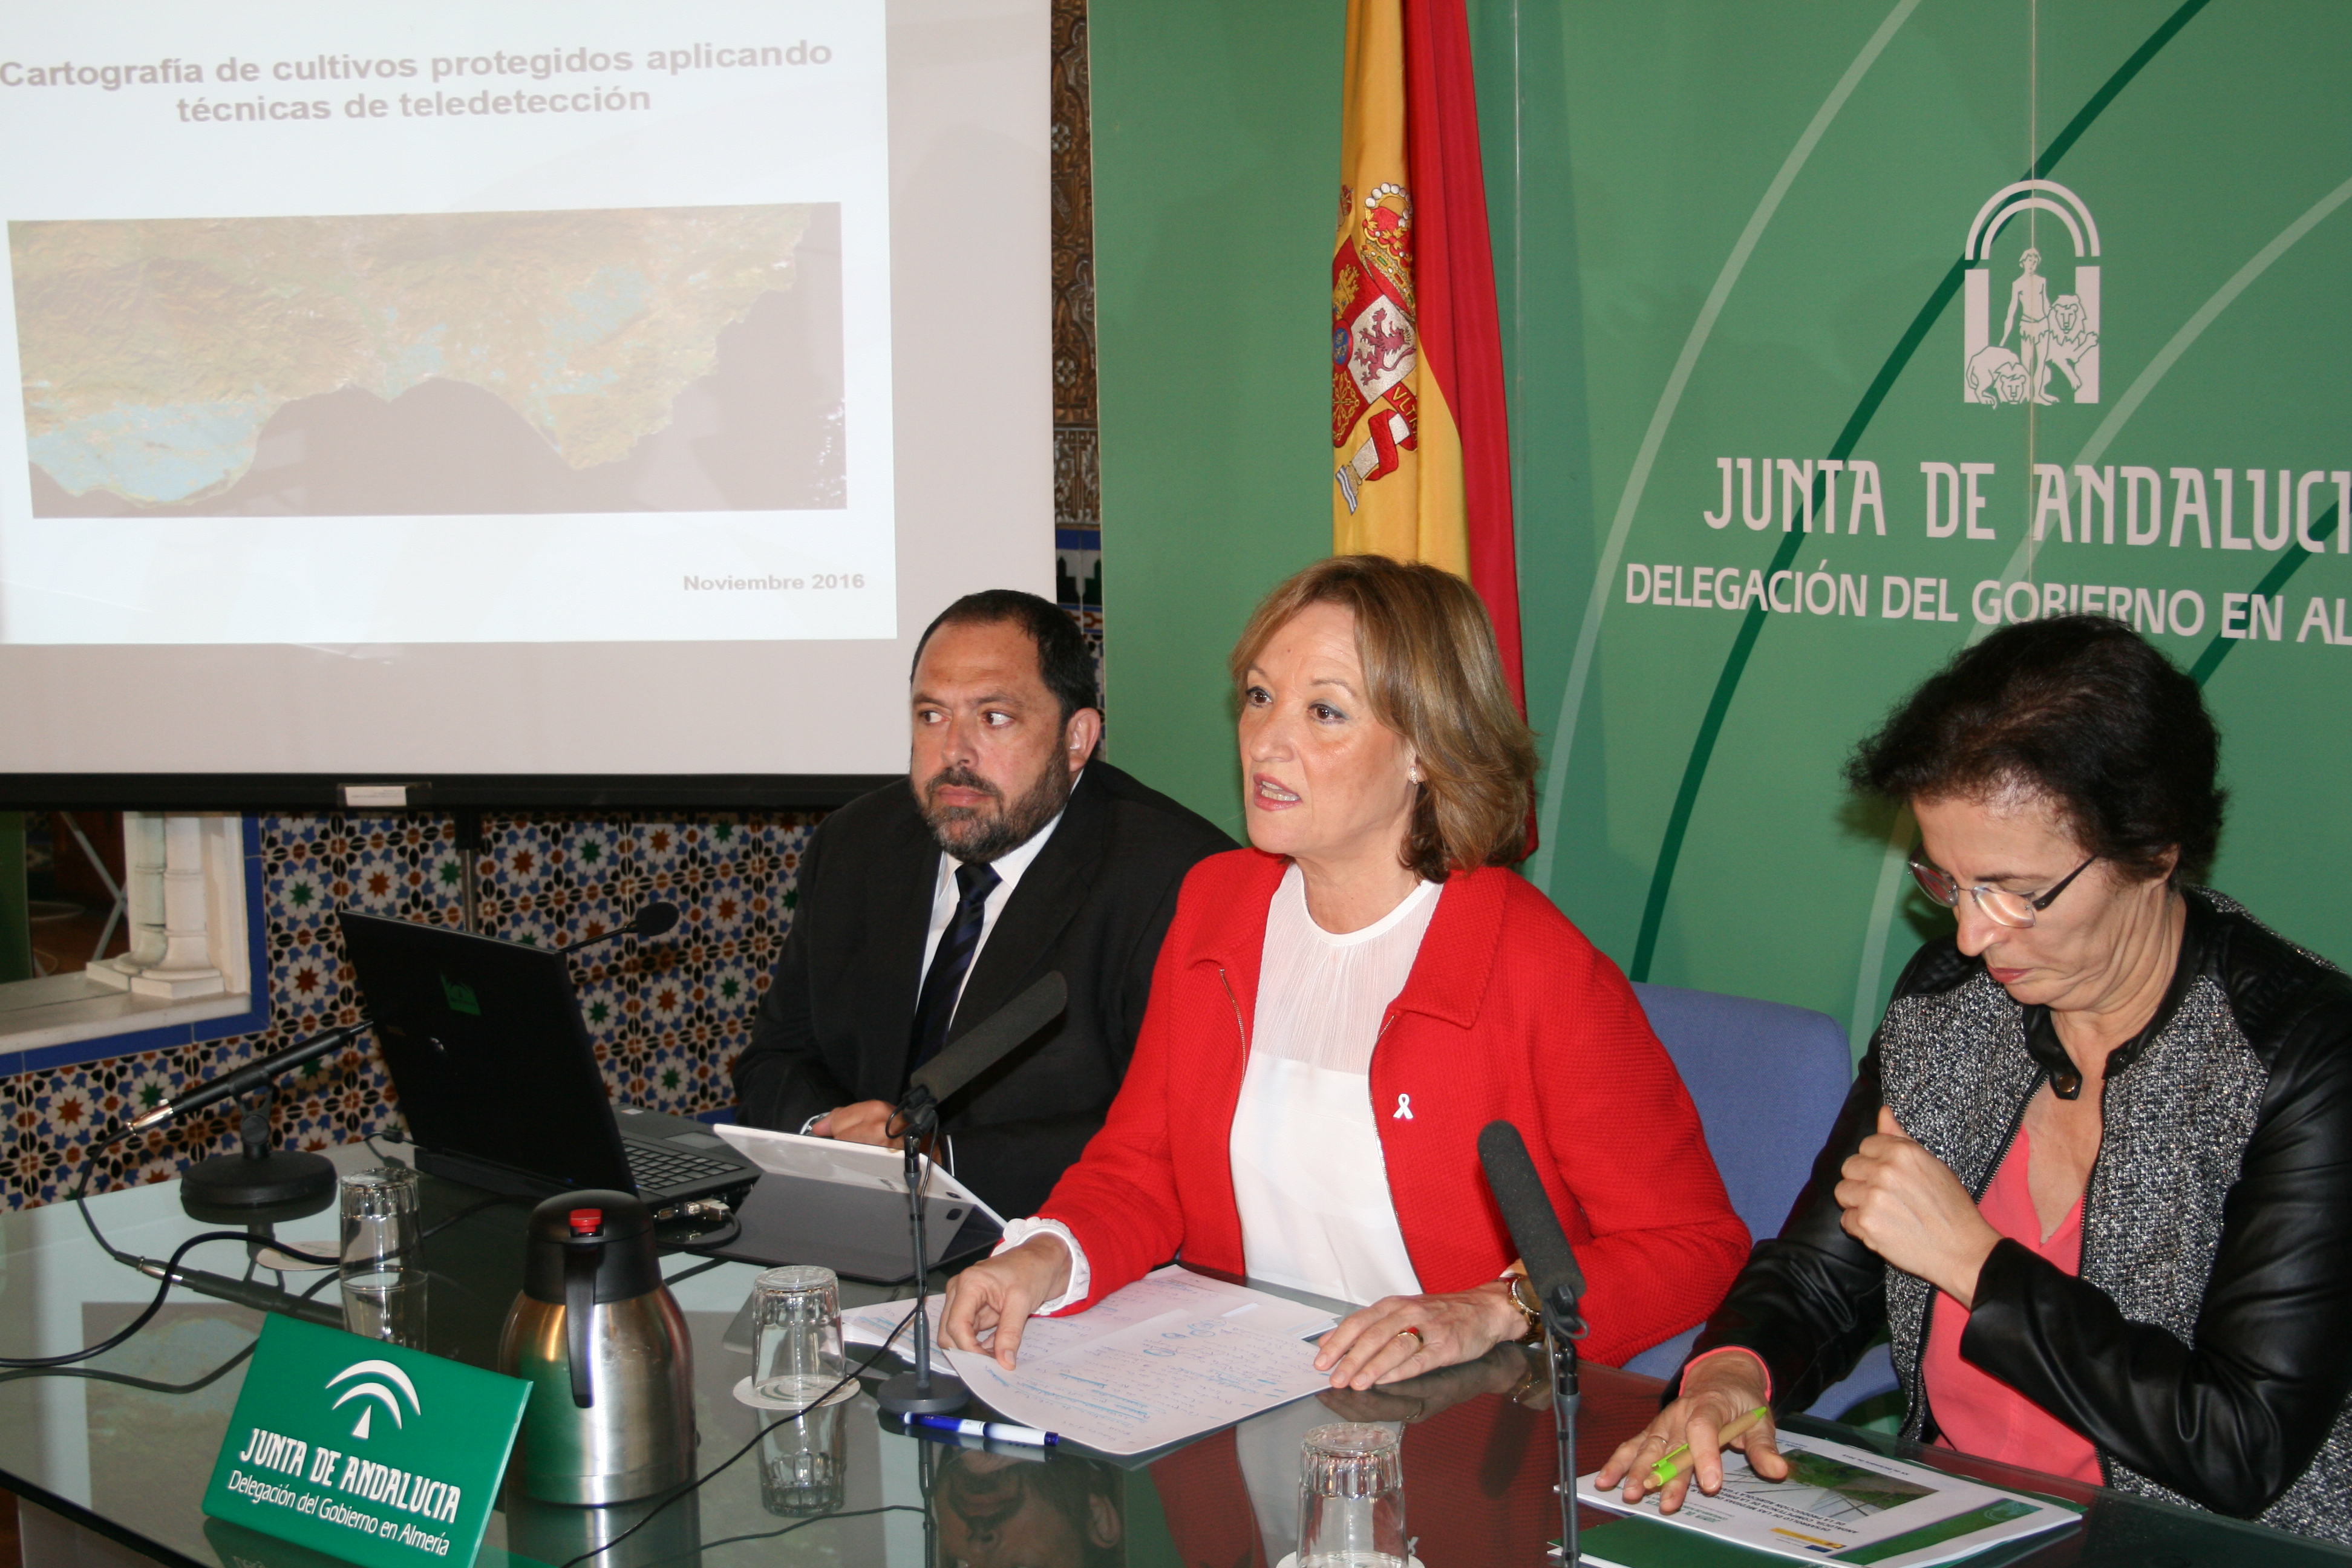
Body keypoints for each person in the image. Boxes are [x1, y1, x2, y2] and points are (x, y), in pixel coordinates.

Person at [1598, 615, 2352, 1543]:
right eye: (1949, 883)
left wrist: (1974, 1263)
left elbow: (2243, 1444)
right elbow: (1822, 1274)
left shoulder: (2302, 1057)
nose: (1972, 934)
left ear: (2154, 852)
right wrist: (1732, 1372)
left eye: (2016, 893)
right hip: (1964, 1522)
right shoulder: (1952, 1005)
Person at [941, 555, 1748, 1394]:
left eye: (1325, 711)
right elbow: (1142, 1167)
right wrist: (1046, 1254)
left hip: (1468, 1421)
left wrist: (1496, 1307)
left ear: (1425, 751)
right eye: (1260, 696)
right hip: (1238, 1393)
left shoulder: (1540, 968)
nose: (1266, 742)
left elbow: (1696, 1245)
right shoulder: (1217, 904)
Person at [731, 589, 1232, 1219]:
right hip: (847, 1219)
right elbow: (777, 1055)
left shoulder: (1178, 879)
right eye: (932, 716)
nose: (954, 753)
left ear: (1077, 738)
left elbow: (1174, 1131)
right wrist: (827, 1136)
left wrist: (942, 1163)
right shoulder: (857, 843)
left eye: (994, 718)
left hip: (1049, 1239)